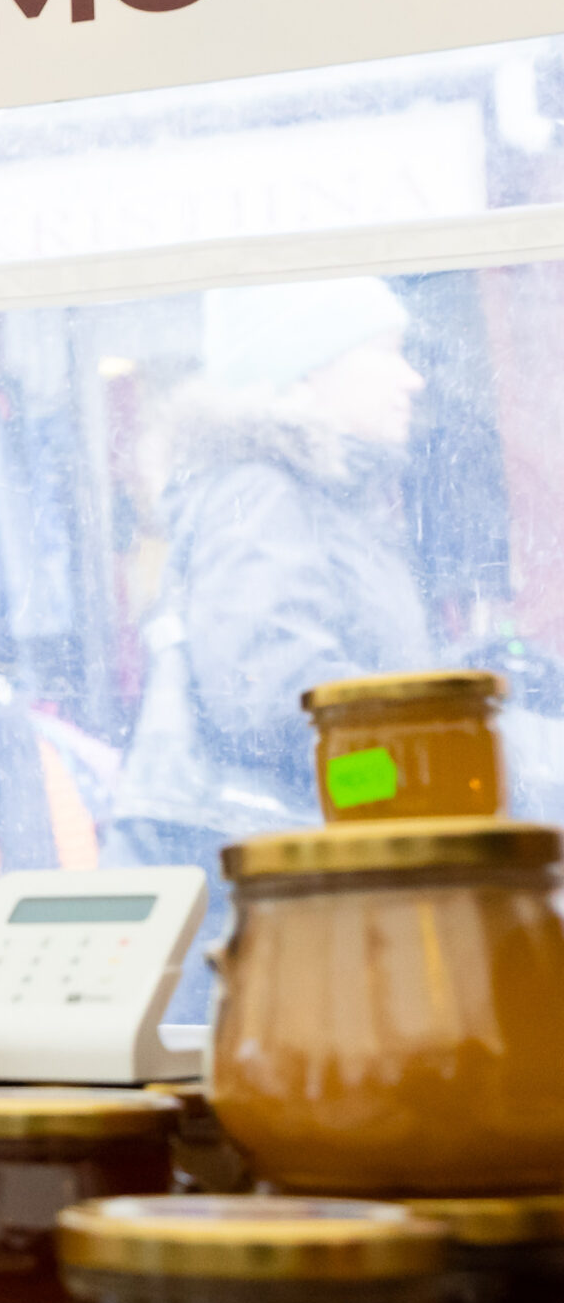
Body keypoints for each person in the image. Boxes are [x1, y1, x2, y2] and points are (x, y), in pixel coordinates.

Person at [109, 276, 431, 1019]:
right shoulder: (259, 490)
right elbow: (267, 696)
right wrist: (426, 759)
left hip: (271, 888)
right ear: (309, 371)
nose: (411, 377)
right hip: (245, 894)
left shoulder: (316, 495)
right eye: (386, 351)